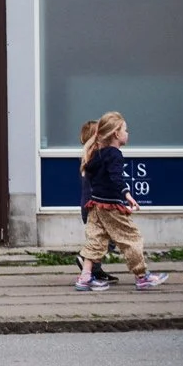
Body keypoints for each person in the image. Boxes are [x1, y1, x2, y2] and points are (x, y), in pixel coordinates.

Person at [75, 112, 168, 293]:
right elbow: (116, 178)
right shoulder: (114, 154)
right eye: (125, 129)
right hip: (110, 207)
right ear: (116, 134)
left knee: (96, 240)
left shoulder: (97, 154)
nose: (128, 133)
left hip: (95, 206)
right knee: (131, 238)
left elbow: (94, 175)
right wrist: (127, 194)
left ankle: (85, 278)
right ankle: (142, 277)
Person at [75, 118, 117, 284]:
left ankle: (94, 268)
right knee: (108, 238)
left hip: (93, 204)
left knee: (104, 238)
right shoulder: (93, 157)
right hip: (95, 205)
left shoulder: (91, 156)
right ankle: (86, 259)